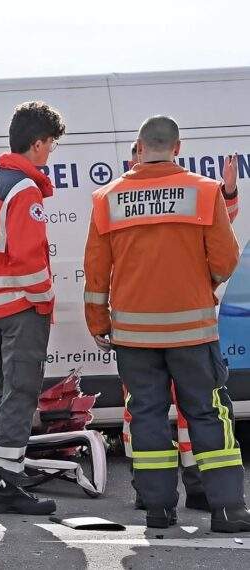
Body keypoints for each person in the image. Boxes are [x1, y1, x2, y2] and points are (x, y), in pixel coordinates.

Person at [84, 115, 248, 532]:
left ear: (140, 146)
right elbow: (227, 260)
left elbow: (96, 271)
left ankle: (158, 511)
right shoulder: (204, 191)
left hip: (135, 337)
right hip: (192, 333)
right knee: (209, 414)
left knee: (147, 418)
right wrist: (199, 281)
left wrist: (98, 320)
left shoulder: (107, 197)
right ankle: (227, 510)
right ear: (178, 147)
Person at [120, 143, 241, 512]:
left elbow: (219, 226)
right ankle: (161, 491)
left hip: (144, 331)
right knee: (174, 411)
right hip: (180, 328)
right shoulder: (126, 199)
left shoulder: (166, 196)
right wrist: (205, 286)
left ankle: (175, 494)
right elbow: (221, 248)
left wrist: (229, 191)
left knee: (160, 413)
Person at [0, 101, 65, 515]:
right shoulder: (23, 189)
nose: (51, 153)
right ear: (38, 144)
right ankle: (6, 484)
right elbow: (28, 258)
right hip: (22, 307)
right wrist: (44, 302)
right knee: (21, 392)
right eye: (51, 145)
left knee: (5, 390)